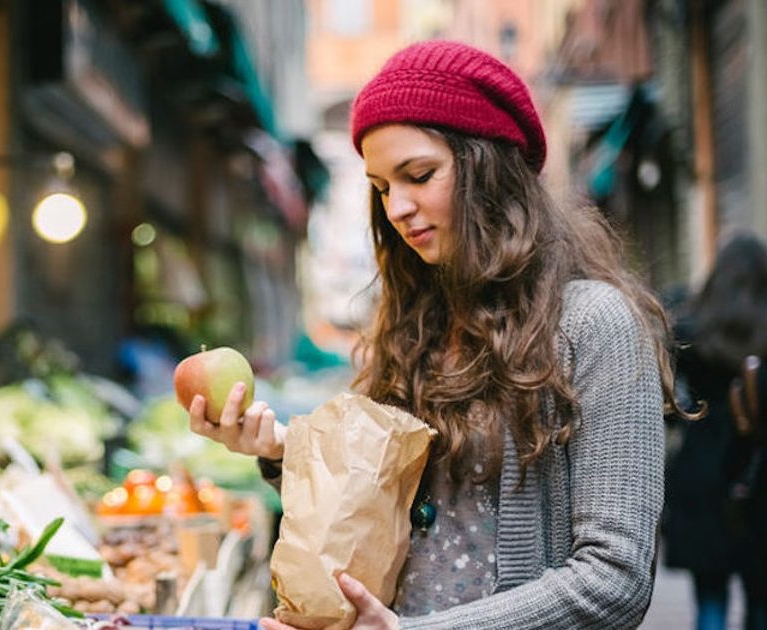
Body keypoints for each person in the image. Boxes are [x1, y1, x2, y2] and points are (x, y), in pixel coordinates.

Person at [186, 40, 696, 628]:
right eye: (381, 187)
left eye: (419, 175)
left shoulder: (595, 324)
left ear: (488, 168)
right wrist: (279, 453)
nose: (397, 207)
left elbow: (616, 580)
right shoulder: (417, 324)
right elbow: (385, 505)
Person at [664, 232, 767, 630]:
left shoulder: (692, 332)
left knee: (710, 602)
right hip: (757, 475)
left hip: (702, 472)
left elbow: (673, 410)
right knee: (761, 603)